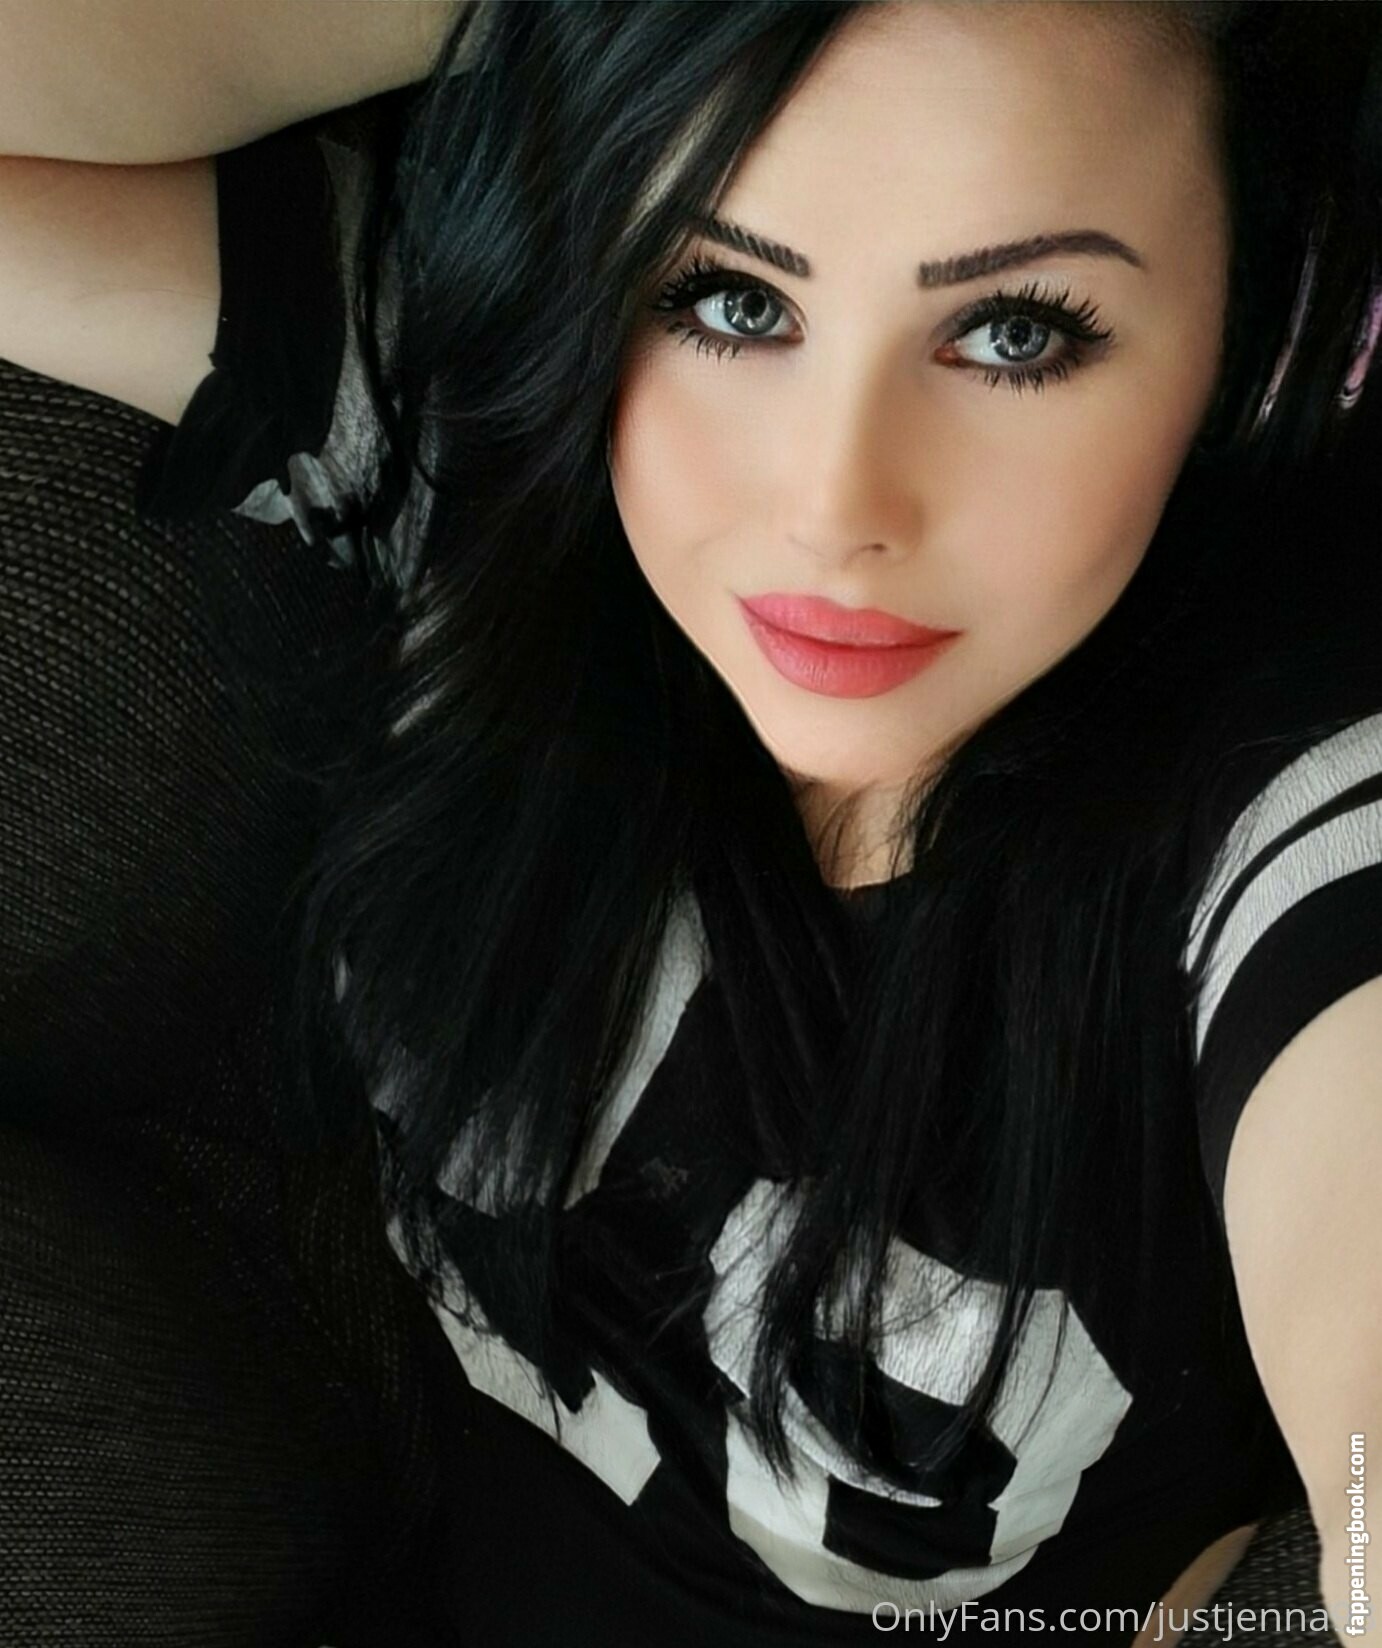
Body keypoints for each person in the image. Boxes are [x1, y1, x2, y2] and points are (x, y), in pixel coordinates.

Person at [2, 2, 1381, 1645]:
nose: (832, 506)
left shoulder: (1303, 794)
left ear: (1259, 330)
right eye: (729, 299)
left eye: (1014, 332)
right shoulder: (505, 470)